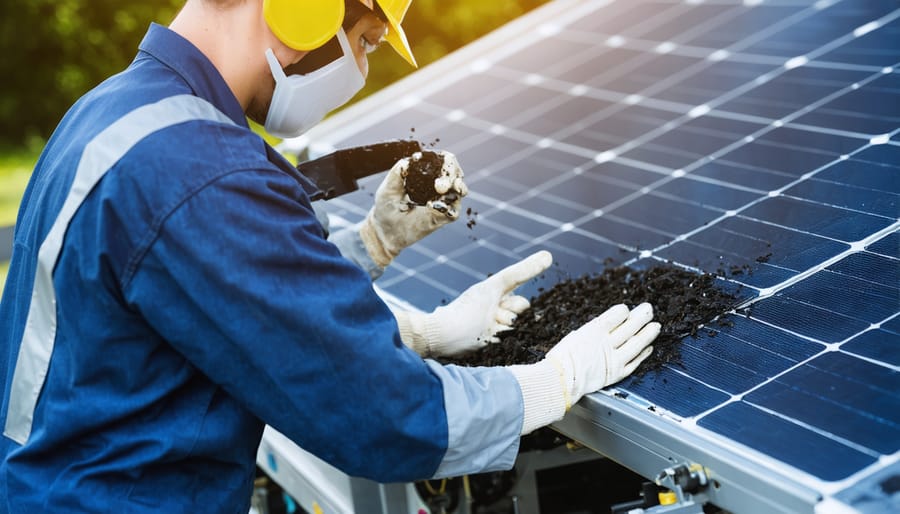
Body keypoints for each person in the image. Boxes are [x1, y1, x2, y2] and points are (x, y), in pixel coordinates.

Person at [0, 0, 660, 511]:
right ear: (306, 10)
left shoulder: (115, 114)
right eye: (367, 41)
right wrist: (556, 381)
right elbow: (380, 413)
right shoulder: (197, 169)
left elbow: (217, 311)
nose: (363, 70)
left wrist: (386, 272)